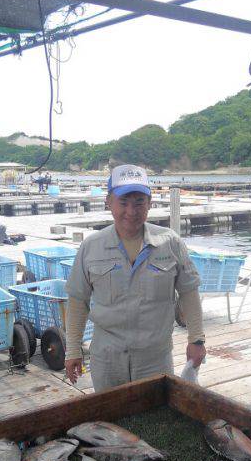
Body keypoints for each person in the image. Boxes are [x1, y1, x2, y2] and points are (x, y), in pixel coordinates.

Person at [65, 164, 206, 391]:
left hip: (155, 359)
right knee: (109, 421)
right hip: (106, 358)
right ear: (109, 203)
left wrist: (196, 339)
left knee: (156, 420)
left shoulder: (170, 242)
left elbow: (189, 291)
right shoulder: (90, 247)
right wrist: (72, 350)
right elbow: (77, 300)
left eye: (139, 202)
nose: (131, 211)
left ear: (149, 204)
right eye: (123, 202)